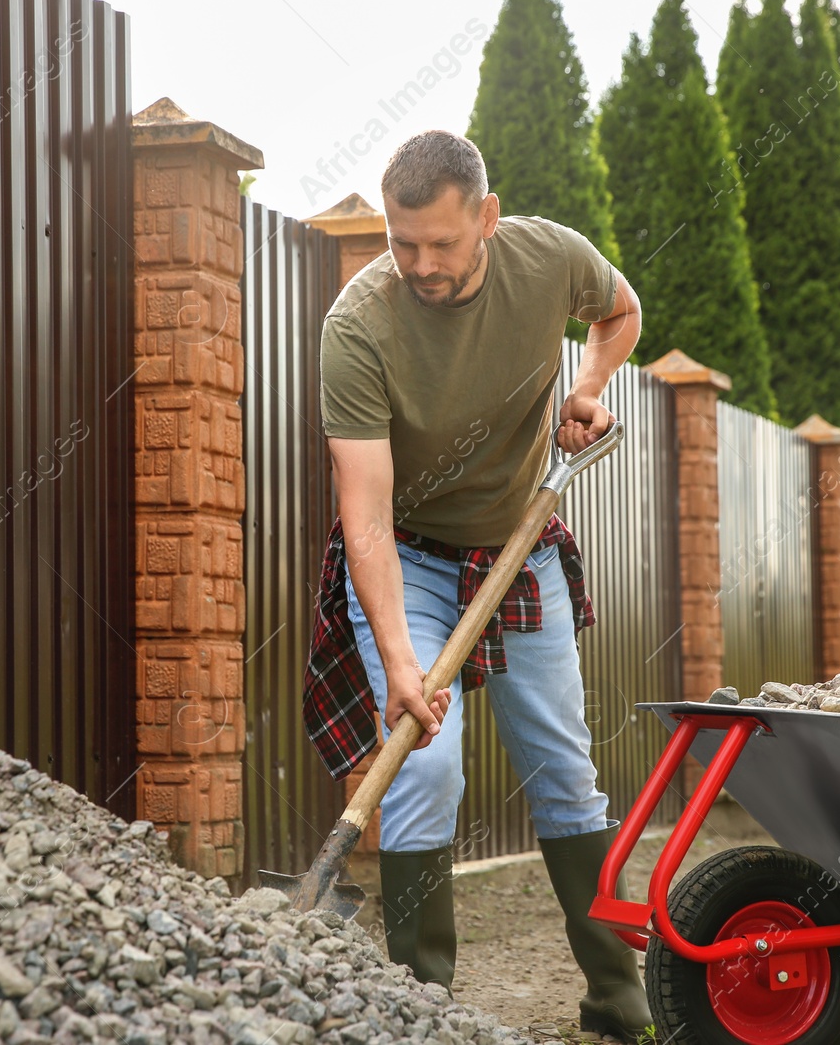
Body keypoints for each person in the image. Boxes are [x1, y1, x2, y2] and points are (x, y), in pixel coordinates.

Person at [302, 129, 651, 1042]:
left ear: (487, 221)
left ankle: (618, 993)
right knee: (424, 766)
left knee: (564, 772)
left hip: (517, 547)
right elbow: (365, 516)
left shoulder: (548, 258)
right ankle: (422, 1008)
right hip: (410, 556)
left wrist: (588, 383)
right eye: (400, 241)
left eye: (441, 244)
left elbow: (623, 310)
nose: (419, 263)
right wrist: (397, 658)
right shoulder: (359, 326)